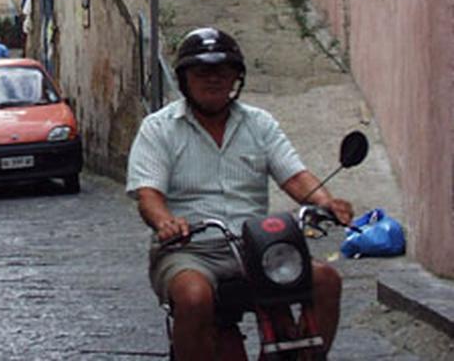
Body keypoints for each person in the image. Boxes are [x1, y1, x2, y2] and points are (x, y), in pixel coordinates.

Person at [126, 27, 353, 361]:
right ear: (184, 78)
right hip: (190, 249)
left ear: (237, 77)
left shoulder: (260, 124)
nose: (213, 79)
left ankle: (308, 357)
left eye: (223, 71)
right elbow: (149, 195)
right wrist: (166, 223)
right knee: (193, 298)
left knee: (326, 280)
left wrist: (325, 201)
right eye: (202, 72)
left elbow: (295, 176)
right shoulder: (159, 128)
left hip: (258, 248)